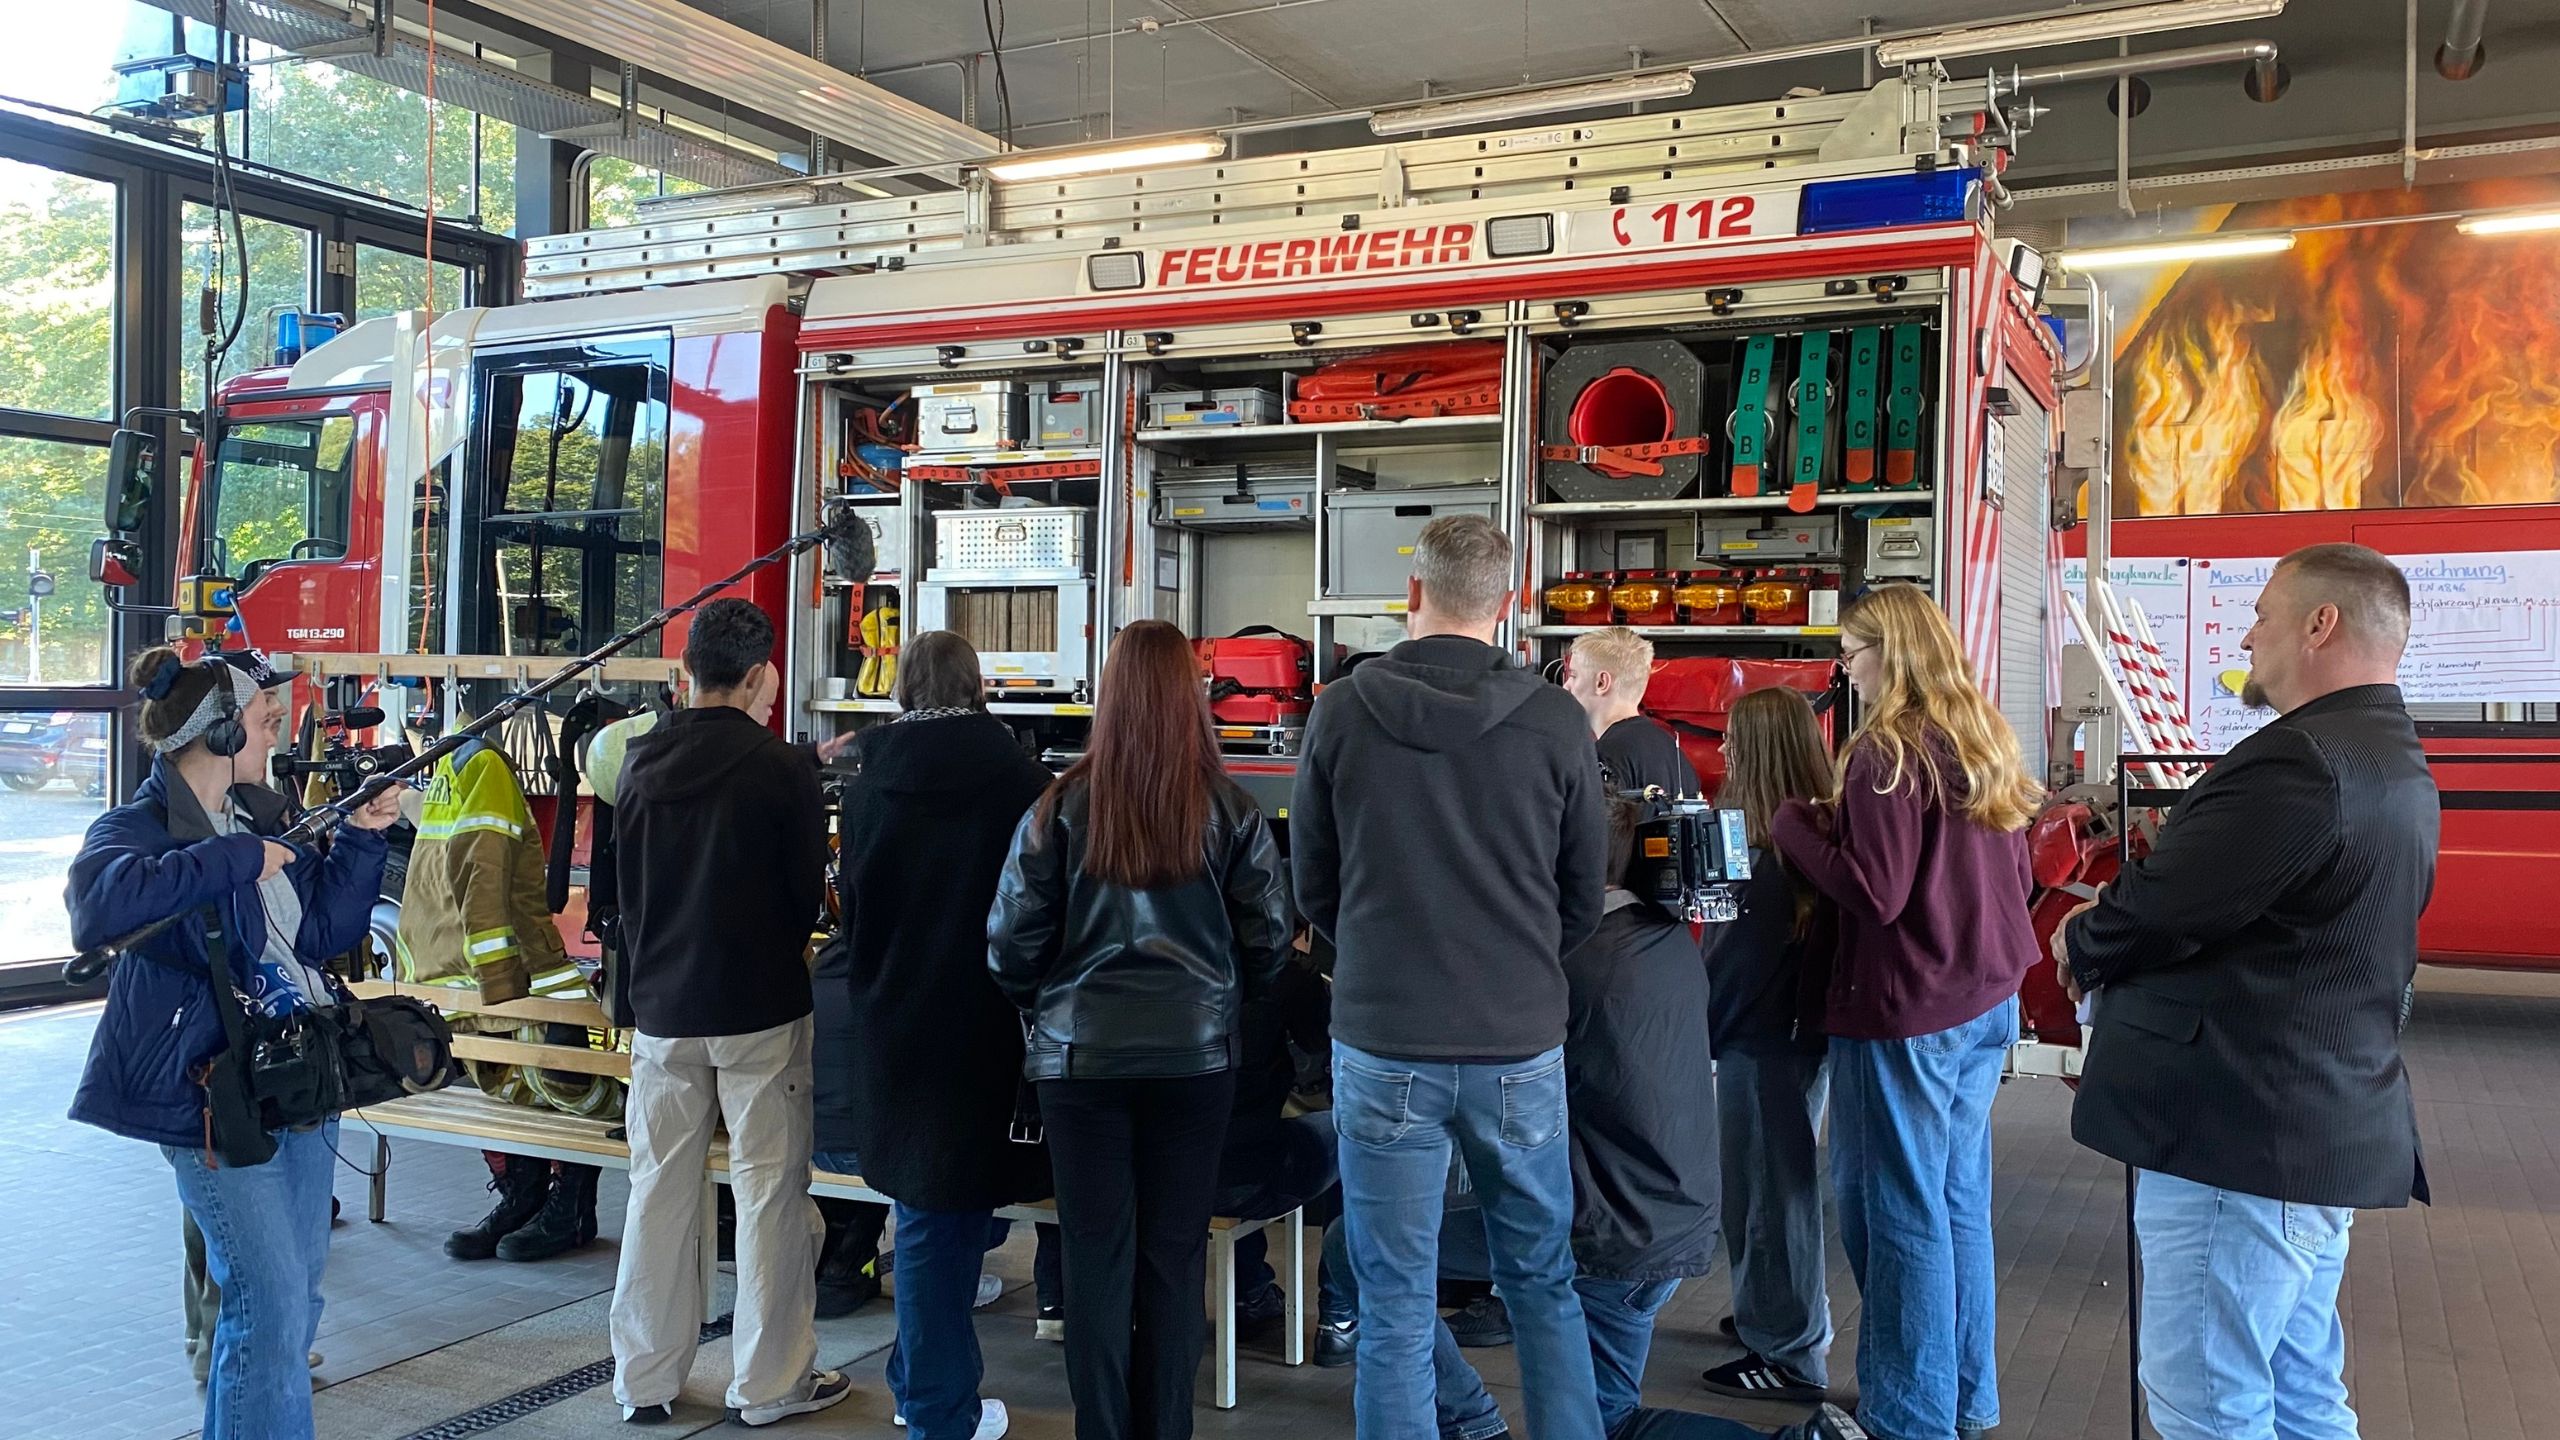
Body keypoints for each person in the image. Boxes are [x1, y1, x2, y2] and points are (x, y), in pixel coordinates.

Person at [2056, 543, 2438, 1440]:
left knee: (2209, 1402)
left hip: (2237, 1140)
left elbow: (2165, 905)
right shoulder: (2389, 755)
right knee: (2302, 1394)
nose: (2249, 632)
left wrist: (2085, 935)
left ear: (2321, 624)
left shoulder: (2300, 762)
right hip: (2305, 1128)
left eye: (2264, 612)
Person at [1292, 513, 1611, 1440]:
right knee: (1542, 1281)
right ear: (1507, 605)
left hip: (1384, 1037)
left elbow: (1312, 881)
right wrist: (1513, 964)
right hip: (1516, 1042)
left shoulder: (1342, 709)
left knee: (1394, 1298)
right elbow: (1581, 896)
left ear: (1413, 597)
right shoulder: (1557, 720)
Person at [1435, 796, 1868, 1440]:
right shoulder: (1662, 939)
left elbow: (1488, 1078)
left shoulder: (1579, 962)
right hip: (1666, 1219)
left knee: (1366, 1251)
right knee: (1609, 1417)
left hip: (1612, 1232)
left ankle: (1468, 1418)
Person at [68, 647, 401, 1439]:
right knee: (270, 1309)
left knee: (294, 1307)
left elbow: (323, 931)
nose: (277, 737)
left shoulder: (264, 815)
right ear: (216, 735)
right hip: (214, 1101)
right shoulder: (137, 828)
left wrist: (358, 839)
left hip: (299, 1085)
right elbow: (100, 909)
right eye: (264, 722)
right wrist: (236, 858)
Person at [989, 619, 1294, 1440]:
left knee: (1095, 1255)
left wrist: (1048, 1006)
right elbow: (1270, 942)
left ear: (1112, 698)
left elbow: (1009, 945)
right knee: (1172, 1255)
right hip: (1195, 1060)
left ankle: (1102, 1429)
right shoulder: (1231, 809)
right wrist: (1224, 1004)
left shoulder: (1057, 806)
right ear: (1190, 700)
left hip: (1079, 1060)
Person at [1770, 583, 2040, 1440]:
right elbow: (2005, 874)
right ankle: (1965, 1399)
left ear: (1890, 652)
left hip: (1908, 1012)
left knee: (1896, 1216)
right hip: (1984, 996)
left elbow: (1875, 893)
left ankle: (1907, 1417)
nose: (1845, 671)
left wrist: (1795, 826)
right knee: (1956, 1205)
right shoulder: (1979, 733)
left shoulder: (1885, 750)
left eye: (1852, 654)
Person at [606, 598, 847, 1427]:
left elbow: (621, 898)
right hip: (759, 1011)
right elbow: (800, 901)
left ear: (684, 675)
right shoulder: (783, 770)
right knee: (769, 1197)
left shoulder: (637, 764)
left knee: (658, 1194)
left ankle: (644, 1379)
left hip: (663, 1014)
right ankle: (770, 1382)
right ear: (757, 675)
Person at [814, 630, 1054, 1440]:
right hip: (985, 1027)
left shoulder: (868, 784)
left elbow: (854, 905)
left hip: (892, 1021)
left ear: (904, 692)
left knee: (926, 1209)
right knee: (939, 1219)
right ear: (979, 688)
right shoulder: (1023, 785)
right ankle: (937, 1410)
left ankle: (922, 1386)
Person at [1700, 688, 1838, 1404]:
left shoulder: (1764, 854)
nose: (1721, 751)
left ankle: (1788, 1351)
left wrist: (1693, 1032)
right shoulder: (1807, 833)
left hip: (1762, 1045)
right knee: (1767, 1189)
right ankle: (1770, 1316)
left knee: (1767, 1196)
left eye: (1731, 740)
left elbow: (1732, 967)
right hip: (1789, 1041)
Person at [1562, 626, 1699, 796]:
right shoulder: (1674, 752)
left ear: (1601, 683)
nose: (1566, 686)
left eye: (1574, 676)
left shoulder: (1606, 756)